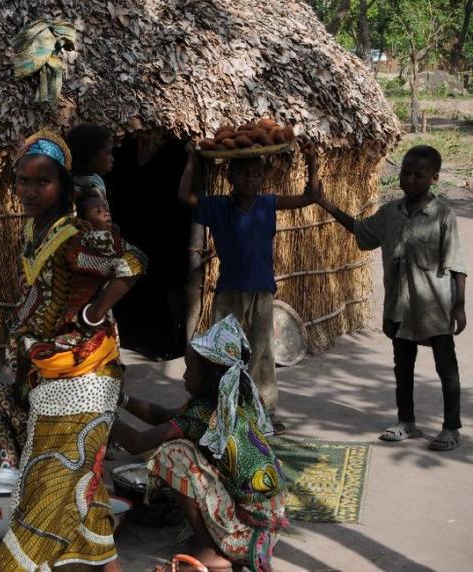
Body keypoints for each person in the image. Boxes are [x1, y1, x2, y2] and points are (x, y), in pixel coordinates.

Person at [0, 130, 147, 571]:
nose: (29, 191)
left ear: (63, 186)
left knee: (48, 491)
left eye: (42, 182)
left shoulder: (77, 236)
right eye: (23, 180)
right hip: (52, 376)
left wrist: (96, 313)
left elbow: (133, 262)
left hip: (86, 382)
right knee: (86, 494)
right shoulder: (33, 229)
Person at [317, 145, 467, 451]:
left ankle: (451, 427)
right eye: (405, 172)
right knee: (403, 365)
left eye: (418, 175)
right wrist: (325, 203)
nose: (410, 179)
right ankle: (406, 421)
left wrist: (460, 307)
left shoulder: (443, 216)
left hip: (434, 306)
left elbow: (456, 266)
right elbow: (361, 231)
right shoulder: (390, 214)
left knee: (446, 367)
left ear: (434, 178)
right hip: (399, 304)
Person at [111, 315, 288, 572]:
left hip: (248, 531)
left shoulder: (205, 415)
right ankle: (218, 538)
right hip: (269, 521)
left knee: (173, 454)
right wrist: (122, 399)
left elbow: (137, 443)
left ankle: (213, 549)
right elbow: (164, 417)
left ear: (210, 375)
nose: (183, 375)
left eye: (190, 369)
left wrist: (98, 413)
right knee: (187, 450)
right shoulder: (231, 399)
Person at [177, 140, 322, 434]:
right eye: (243, 174)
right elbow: (184, 195)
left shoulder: (268, 204)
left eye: (256, 174)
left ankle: (263, 414)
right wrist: (192, 161)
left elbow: (312, 196)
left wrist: (311, 161)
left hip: (262, 291)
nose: (249, 180)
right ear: (230, 178)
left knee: (262, 353)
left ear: (263, 178)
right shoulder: (217, 207)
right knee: (223, 355)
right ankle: (223, 412)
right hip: (229, 291)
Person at [66, 122, 113, 201]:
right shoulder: (89, 194)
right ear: (90, 155)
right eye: (108, 153)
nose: (112, 159)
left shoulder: (95, 180)